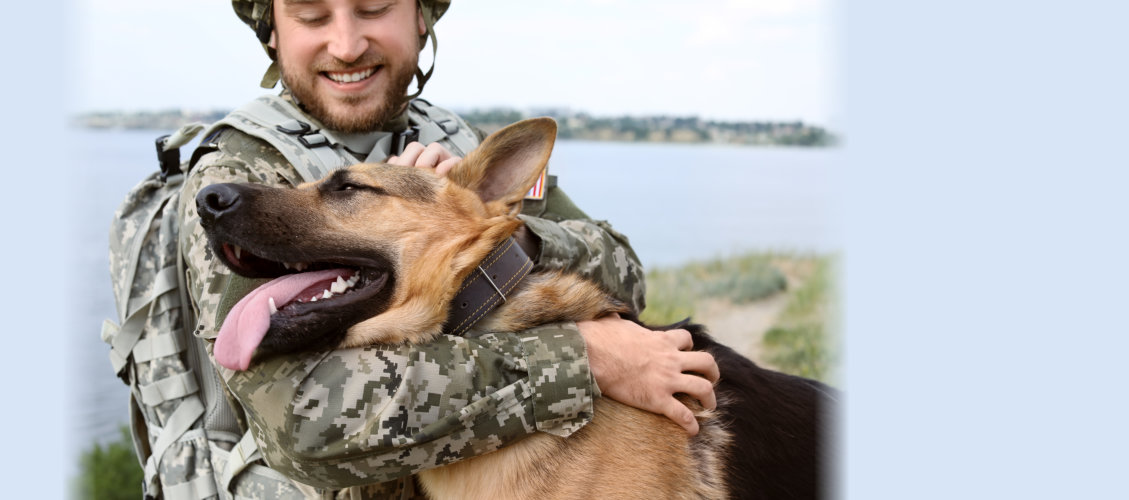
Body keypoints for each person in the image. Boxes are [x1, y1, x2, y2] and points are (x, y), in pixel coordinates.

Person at [104, 1, 721, 498]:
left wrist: (468, 222)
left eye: (373, 8)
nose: (346, 44)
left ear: (421, 18)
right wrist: (579, 359)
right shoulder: (241, 175)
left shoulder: (456, 141)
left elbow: (622, 270)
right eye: (312, 16)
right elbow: (304, 423)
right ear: (273, 34)